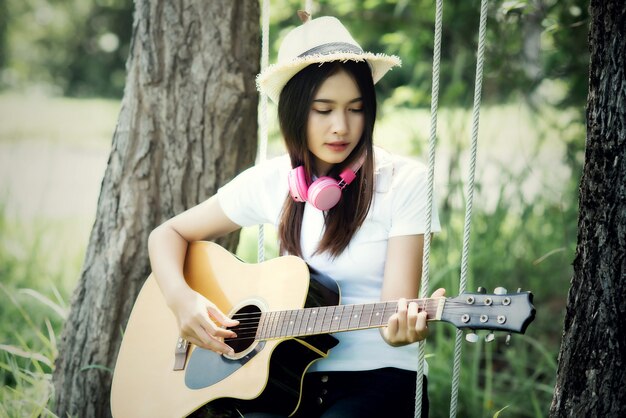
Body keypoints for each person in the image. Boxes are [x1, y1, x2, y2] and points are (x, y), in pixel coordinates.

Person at [148, 14, 443, 418]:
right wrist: (181, 300)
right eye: (323, 110)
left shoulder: (406, 182)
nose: (342, 127)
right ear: (294, 112)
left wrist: (402, 331)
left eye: (356, 109)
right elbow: (168, 233)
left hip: (380, 376)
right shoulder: (272, 180)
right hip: (284, 380)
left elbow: (396, 306)